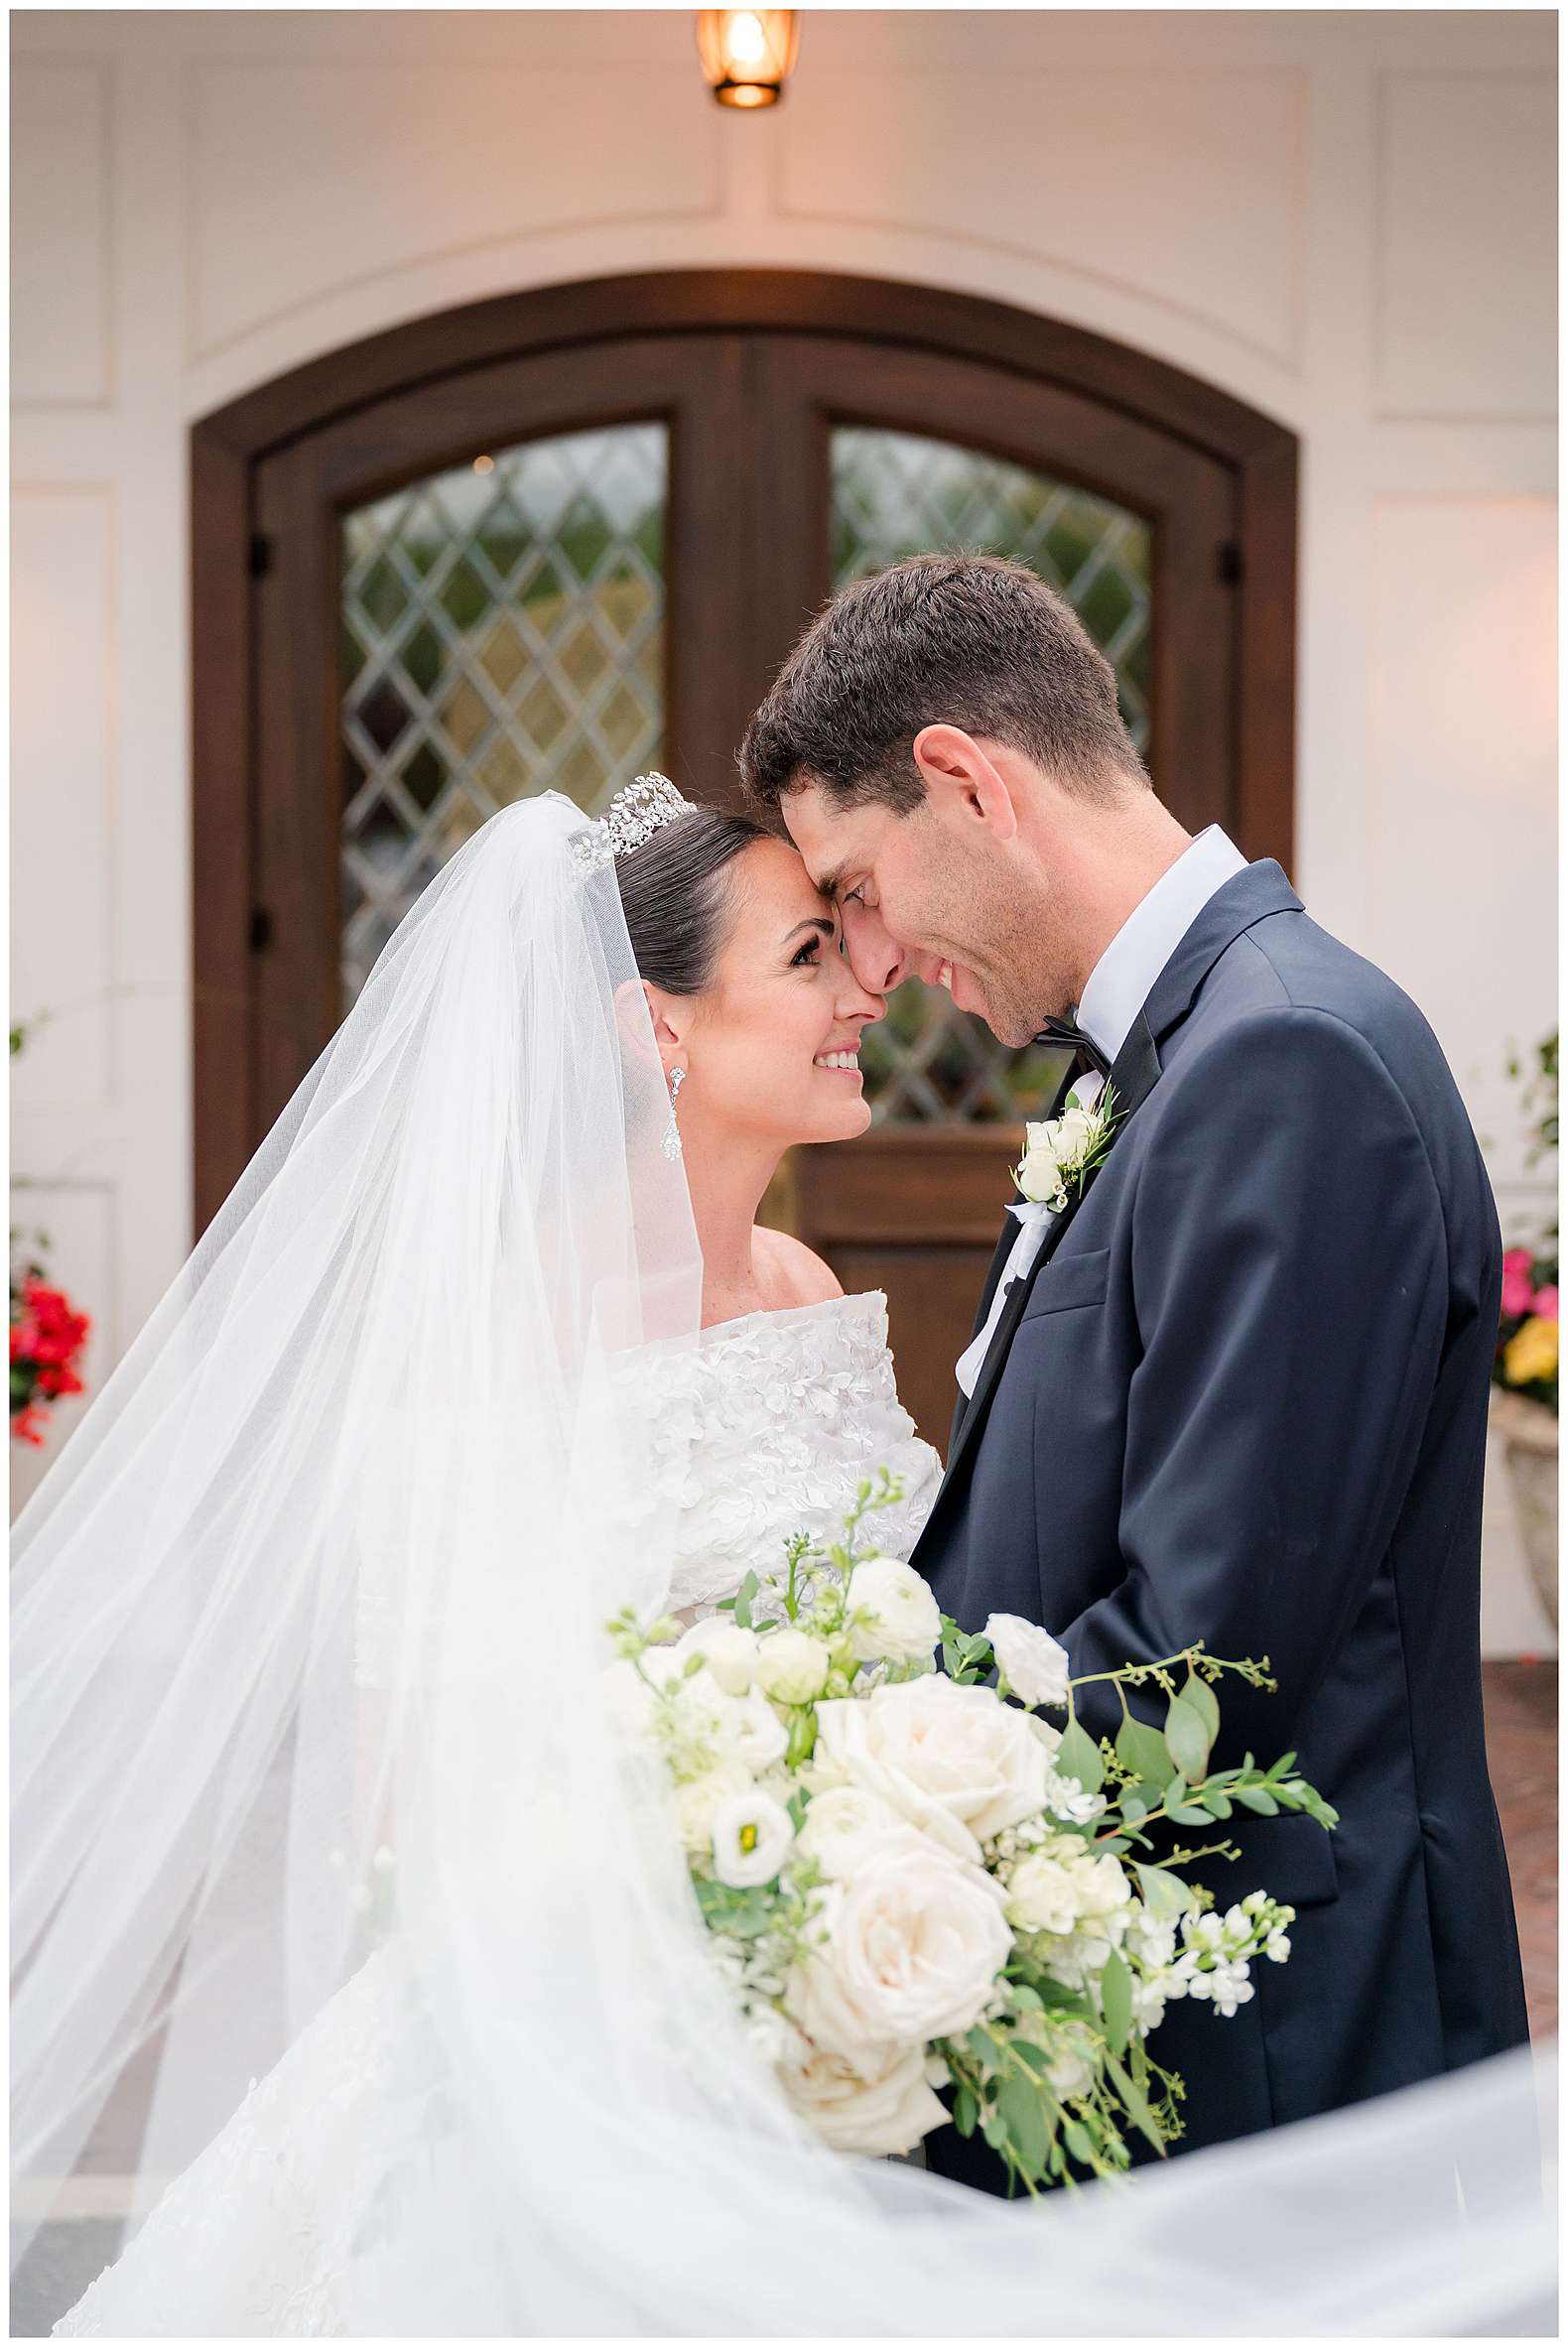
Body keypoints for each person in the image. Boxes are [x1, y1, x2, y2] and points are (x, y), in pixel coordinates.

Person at [13, 782, 1548, 2339]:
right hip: (597, 2042)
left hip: (827, 2013)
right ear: (653, 1026)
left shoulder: (804, 1282)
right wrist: (661, 1967)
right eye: (811, 948)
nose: (867, 981)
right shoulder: (490, 1345)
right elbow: (415, 1792)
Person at [739, 550, 1531, 2193]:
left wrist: (847, 1813)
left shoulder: (1284, 1057)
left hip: (1288, 2047)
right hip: (1179, 2019)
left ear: (965, 780)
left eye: (860, 885)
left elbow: (1209, 1655)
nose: (875, 966)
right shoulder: (1203, 1045)